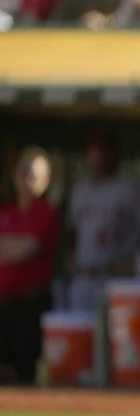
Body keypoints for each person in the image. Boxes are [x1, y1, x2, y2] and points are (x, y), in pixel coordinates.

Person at [66, 133, 140, 311]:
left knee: (115, 335)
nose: (99, 156)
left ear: (115, 154)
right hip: (84, 279)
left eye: (104, 151)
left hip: (116, 278)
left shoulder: (128, 188)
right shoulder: (80, 191)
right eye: (94, 151)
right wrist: (72, 255)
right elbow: (74, 230)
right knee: (81, 334)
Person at [0, 147, 59, 385]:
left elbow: (27, 249)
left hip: (32, 304)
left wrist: (10, 245)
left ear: (45, 182)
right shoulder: (6, 212)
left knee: (27, 370)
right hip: (3, 301)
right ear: (15, 176)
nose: (28, 181)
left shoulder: (46, 212)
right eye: (24, 173)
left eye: (35, 176)